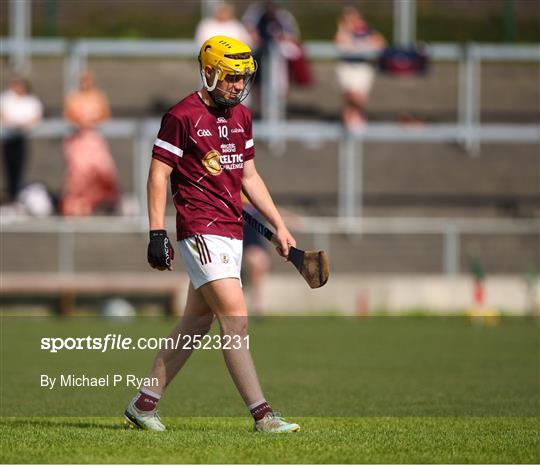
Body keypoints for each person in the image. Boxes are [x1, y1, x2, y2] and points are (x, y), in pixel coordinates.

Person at [124, 35, 300, 433]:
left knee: (197, 321)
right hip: (200, 229)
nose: (238, 86)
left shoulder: (242, 117)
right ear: (208, 73)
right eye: (231, 77)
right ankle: (263, 415)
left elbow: (249, 177)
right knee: (236, 319)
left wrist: (279, 225)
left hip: (231, 230)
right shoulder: (182, 115)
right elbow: (158, 174)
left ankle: (143, 403)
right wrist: (156, 232)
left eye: (243, 78)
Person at [61, 71, 120, 216]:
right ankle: (78, 206)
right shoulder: (73, 97)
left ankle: (102, 202)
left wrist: (91, 122)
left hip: (93, 138)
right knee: (78, 174)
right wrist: (80, 122)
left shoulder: (98, 96)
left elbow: (105, 114)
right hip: (79, 139)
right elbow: (68, 115)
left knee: (103, 169)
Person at [334, 6, 386, 131]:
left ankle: (356, 120)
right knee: (349, 96)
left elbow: (381, 43)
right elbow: (339, 43)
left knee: (359, 98)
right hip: (347, 67)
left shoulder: (367, 30)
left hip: (362, 67)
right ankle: (349, 122)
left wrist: (362, 45)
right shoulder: (342, 30)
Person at [0, 77, 43, 203]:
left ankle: (17, 195)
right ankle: (10, 195)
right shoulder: (6, 98)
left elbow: (36, 117)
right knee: (8, 167)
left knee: (20, 167)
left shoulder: (31, 101)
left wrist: (23, 125)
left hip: (22, 138)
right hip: (8, 138)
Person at [242, 197, 270, 317]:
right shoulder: (237, 209)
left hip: (255, 246)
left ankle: (257, 306)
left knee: (257, 276)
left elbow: (272, 210)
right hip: (244, 247)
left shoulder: (254, 209)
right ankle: (256, 306)